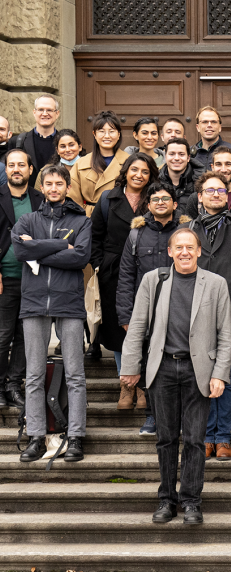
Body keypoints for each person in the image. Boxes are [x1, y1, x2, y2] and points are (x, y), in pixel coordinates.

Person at [119, 227, 231, 524]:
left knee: (195, 440)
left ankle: (192, 502)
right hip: (163, 368)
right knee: (166, 438)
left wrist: (220, 373)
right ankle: (166, 500)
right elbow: (138, 325)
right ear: (170, 251)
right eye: (178, 247)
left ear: (198, 251)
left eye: (190, 247)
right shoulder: (153, 280)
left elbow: (226, 335)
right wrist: (130, 367)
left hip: (200, 370)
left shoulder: (216, 284)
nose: (184, 252)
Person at [14, 164, 91, 463]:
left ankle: (75, 437)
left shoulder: (80, 221)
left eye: (60, 183)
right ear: (42, 187)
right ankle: (36, 436)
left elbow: (80, 257)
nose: (54, 187)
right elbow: (21, 252)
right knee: (33, 374)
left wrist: (38, 249)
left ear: (67, 186)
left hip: (69, 301)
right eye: (49, 183)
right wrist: (60, 245)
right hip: (33, 302)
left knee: (75, 373)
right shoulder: (27, 219)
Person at [185, 172, 231, 458]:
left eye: (221, 189)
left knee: (226, 380)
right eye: (209, 190)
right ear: (200, 196)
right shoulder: (188, 230)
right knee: (201, 379)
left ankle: (223, 438)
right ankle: (205, 437)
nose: (216, 193)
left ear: (228, 196)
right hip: (195, 315)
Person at [113, 181, 180, 428]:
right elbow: (126, 278)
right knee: (151, 367)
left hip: (180, 309)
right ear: (148, 205)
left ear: (174, 204)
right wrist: (125, 316)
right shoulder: (136, 234)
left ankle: (178, 418)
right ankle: (152, 416)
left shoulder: (186, 231)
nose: (160, 203)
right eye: (155, 200)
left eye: (165, 199)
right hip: (148, 312)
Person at [91, 152, 158, 391]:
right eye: (134, 170)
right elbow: (95, 237)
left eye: (145, 171)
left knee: (146, 329)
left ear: (151, 176)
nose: (139, 175)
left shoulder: (156, 199)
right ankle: (125, 387)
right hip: (114, 274)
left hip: (148, 273)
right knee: (120, 330)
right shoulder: (108, 199)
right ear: (126, 172)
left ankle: (142, 388)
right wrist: (100, 264)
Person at [0, 149, 40, 408]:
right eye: (11, 165)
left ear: (30, 170)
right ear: (5, 171)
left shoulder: (40, 199)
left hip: (33, 279)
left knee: (26, 335)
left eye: (21, 165)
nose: (16, 169)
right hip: (5, 279)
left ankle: (14, 385)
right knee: (3, 335)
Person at [179, 145, 231, 232]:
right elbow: (190, 234)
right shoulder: (196, 199)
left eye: (228, 164)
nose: (223, 170)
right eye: (218, 164)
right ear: (212, 167)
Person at [68, 111, 130, 216]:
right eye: (101, 131)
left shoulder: (129, 162)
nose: (107, 136)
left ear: (118, 134)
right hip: (87, 219)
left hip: (119, 218)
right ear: (94, 134)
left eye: (112, 131)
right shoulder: (81, 164)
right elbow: (72, 198)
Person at [8, 95, 60, 174]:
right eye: (41, 109)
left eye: (49, 110)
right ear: (34, 112)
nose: (45, 114)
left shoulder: (66, 144)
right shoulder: (16, 142)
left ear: (57, 114)